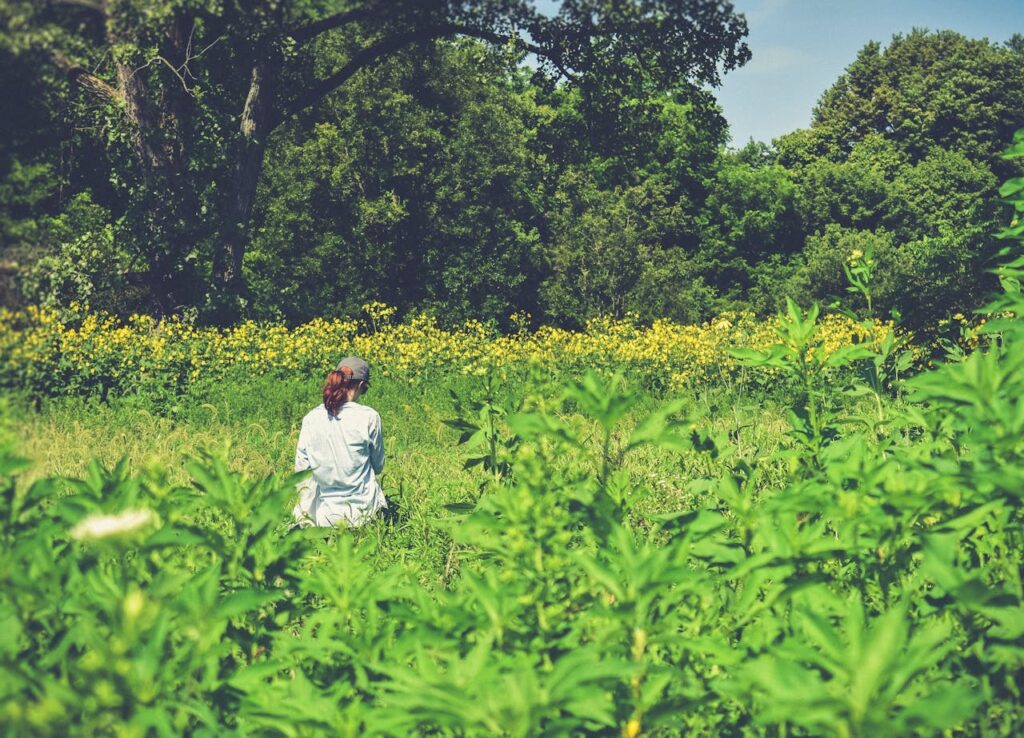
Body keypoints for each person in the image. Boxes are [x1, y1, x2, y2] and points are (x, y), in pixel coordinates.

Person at [293, 356, 387, 528]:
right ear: (360, 386)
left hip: (323, 518)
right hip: (362, 516)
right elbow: (378, 466)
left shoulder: (311, 419)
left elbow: (301, 471)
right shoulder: (369, 417)